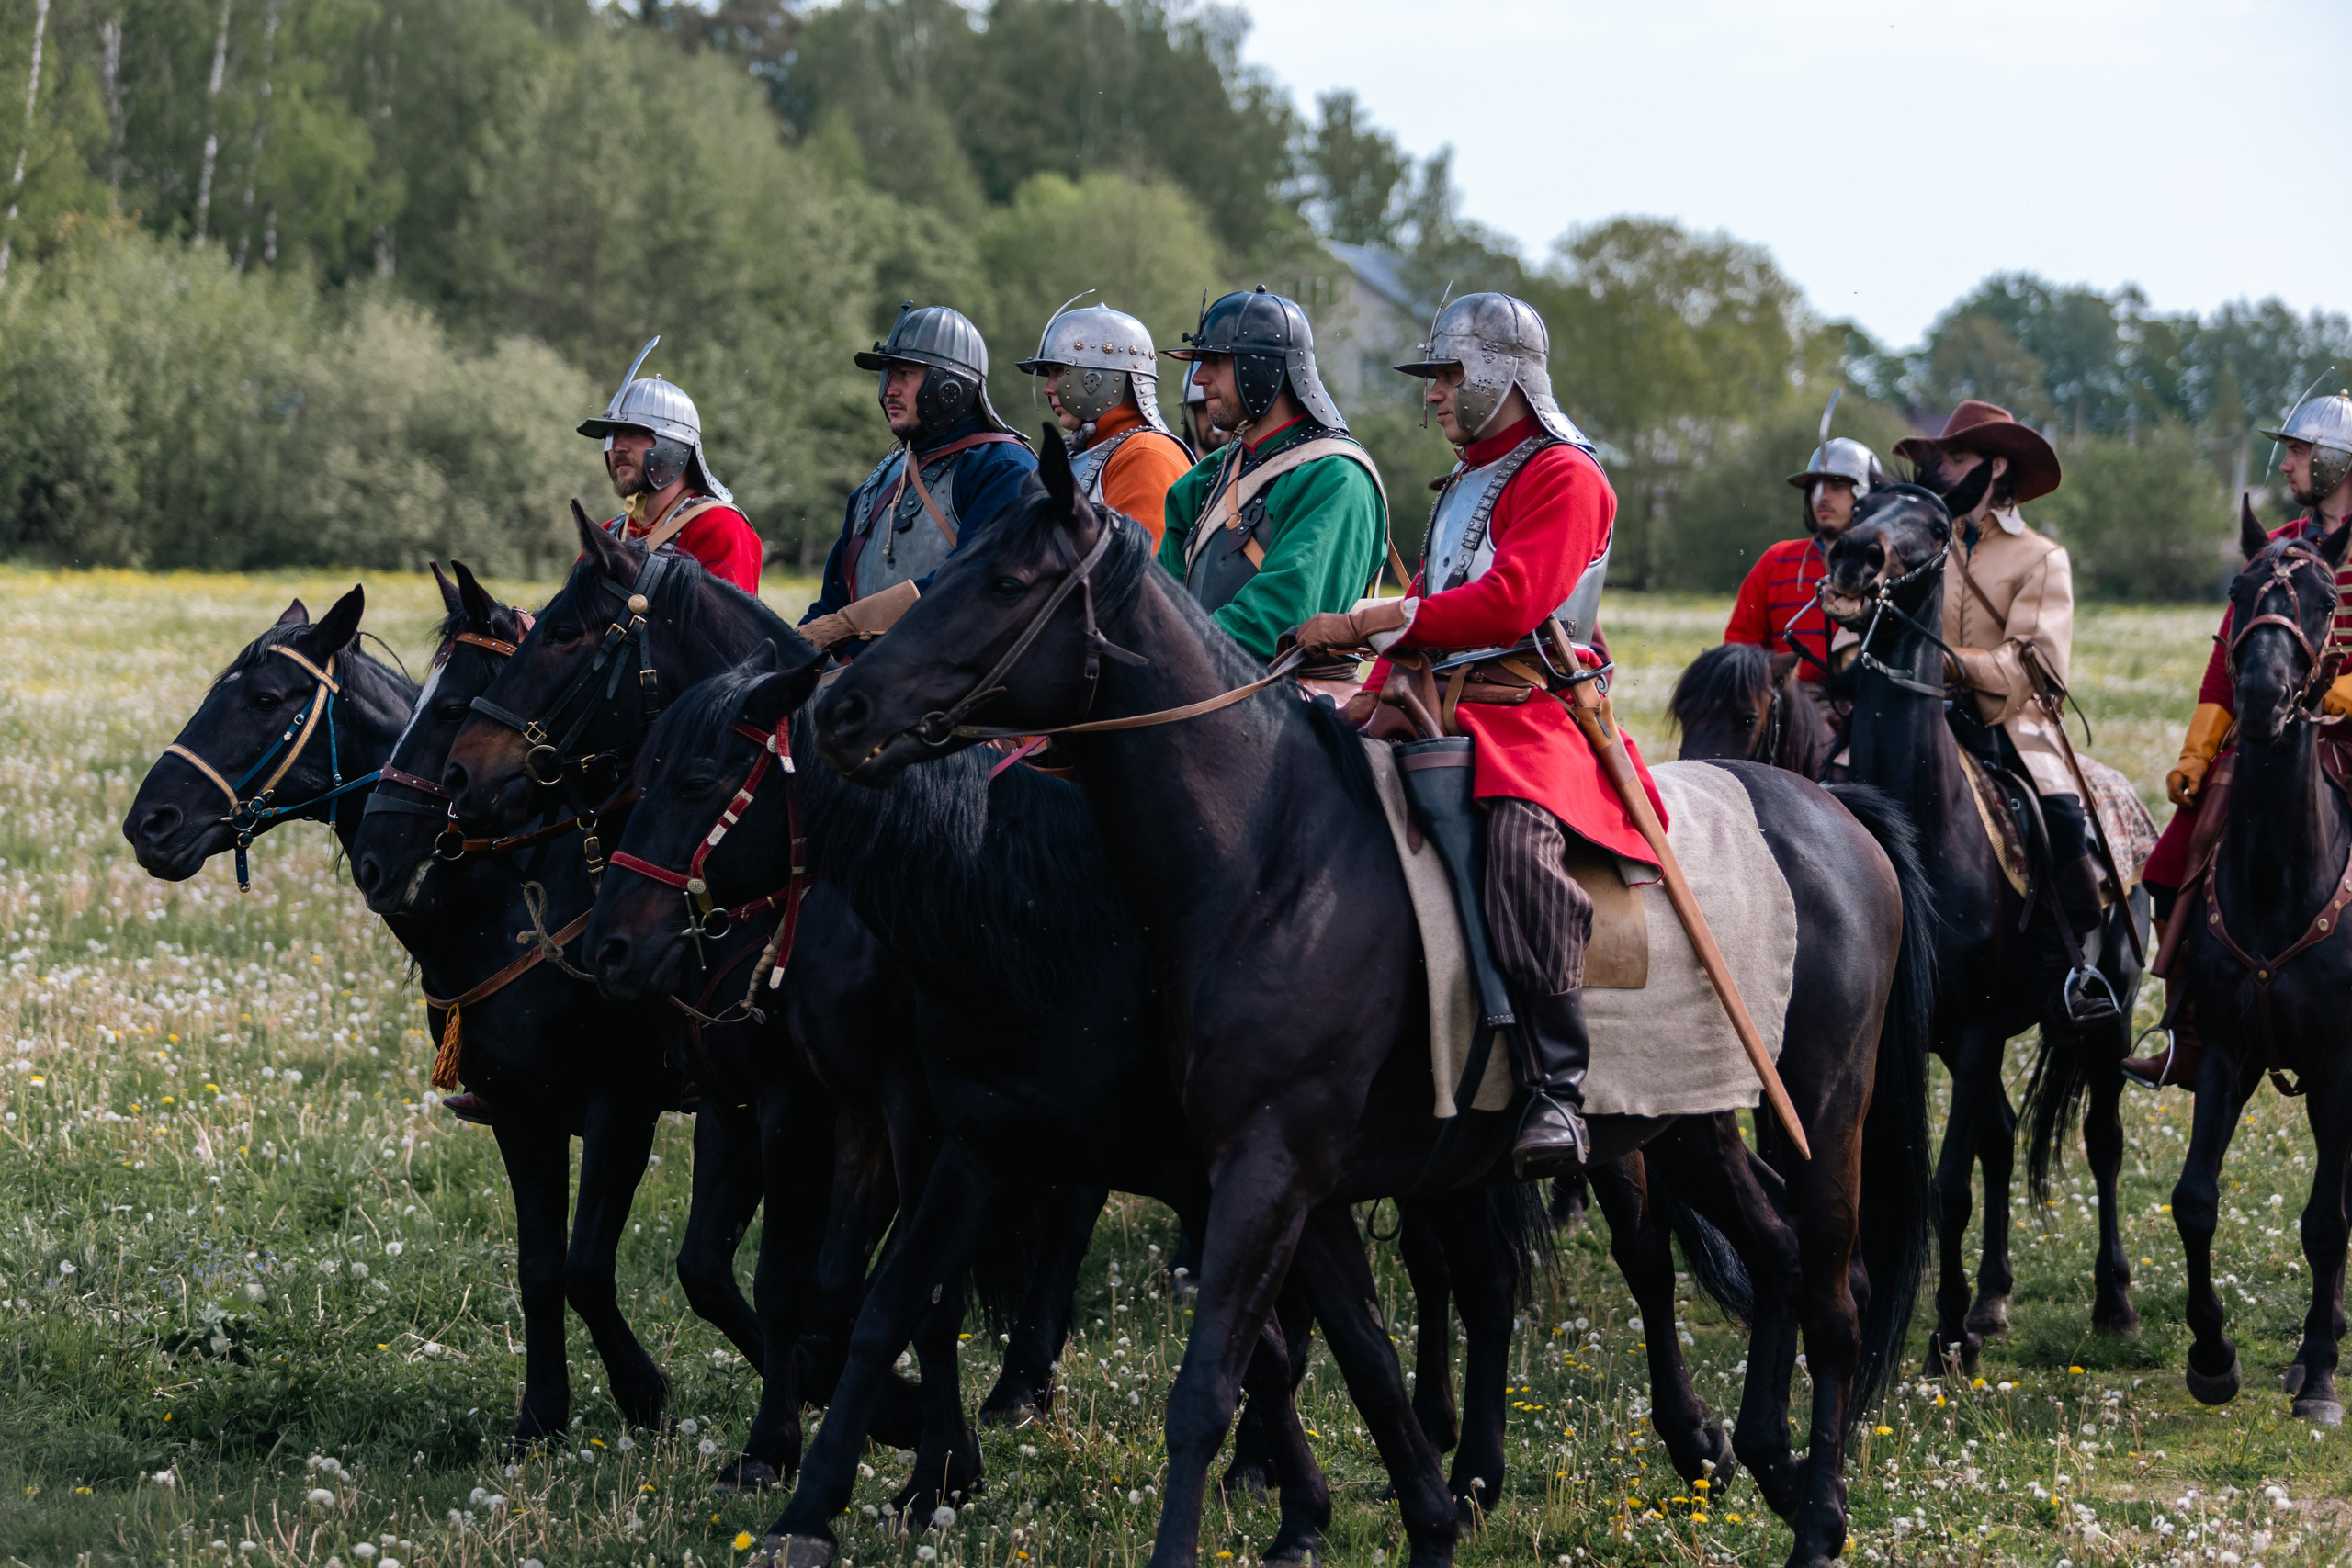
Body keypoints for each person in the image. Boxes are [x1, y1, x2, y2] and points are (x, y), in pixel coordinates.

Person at [1292, 291, 1667, 1179]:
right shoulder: (1468, 478)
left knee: (1518, 847)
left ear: (1502, 374)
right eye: (1432, 377)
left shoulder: (1566, 474)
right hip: (1438, 700)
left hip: (1533, 710)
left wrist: (1366, 624)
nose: (1432, 394)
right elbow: (1431, 600)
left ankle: (1556, 1091)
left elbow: (1511, 602)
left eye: (1447, 374)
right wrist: (1359, 704)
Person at [2123, 389, 2352, 1089]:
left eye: (2299, 451)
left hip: (2349, 739)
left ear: (2339, 460)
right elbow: (2229, 657)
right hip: (2270, 739)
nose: (2286, 465)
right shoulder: (2276, 548)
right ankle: (2189, 1031)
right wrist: (2199, 751)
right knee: (2172, 857)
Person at [1894, 400, 2106, 1027]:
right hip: (1918, 713)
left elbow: (2035, 663)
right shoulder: (1925, 543)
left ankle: (2067, 970)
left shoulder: (2042, 557)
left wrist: (1955, 668)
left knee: (2065, 820)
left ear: (1995, 465)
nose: (1944, 469)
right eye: (1941, 458)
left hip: (2010, 722)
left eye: (1955, 458)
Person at [1157, 287, 1389, 664]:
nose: (1199, 378)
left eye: (1215, 361)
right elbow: (1157, 599)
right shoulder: (1205, 477)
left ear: (1261, 368)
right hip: (1187, 686)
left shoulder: (1336, 478)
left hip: (1287, 704)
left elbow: (1277, 621)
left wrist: (1164, 656)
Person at [800, 304, 1037, 654]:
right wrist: (788, 651)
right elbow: (833, 601)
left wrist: (853, 624)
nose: (889, 391)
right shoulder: (881, 478)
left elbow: (971, 585)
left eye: (905, 374)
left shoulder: (1002, 467)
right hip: (861, 690)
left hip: (954, 690)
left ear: (949, 387)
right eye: (887, 376)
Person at [1013, 300, 1193, 553]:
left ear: (1099, 378)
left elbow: (1136, 578)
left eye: (1058, 371)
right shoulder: (1086, 450)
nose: (1048, 388)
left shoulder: (1146, 454)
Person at [577, 357, 763, 593]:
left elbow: (728, 628)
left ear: (673, 444)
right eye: (612, 435)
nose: (617, 447)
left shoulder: (720, 527)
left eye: (635, 432)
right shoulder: (607, 534)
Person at [1722, 435, 1885, 685]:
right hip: (1790, 711)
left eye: (1837, 486)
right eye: (1815, 488)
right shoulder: (1777, 561)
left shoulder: (1889, 567)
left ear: (1865, 495)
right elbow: (1739, 647)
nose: (1822, 497)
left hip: (1865, 711)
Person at [1179, 375, 1230, 457]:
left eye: (1222, 406)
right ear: (1191, 416)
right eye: (1203, 408)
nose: (1213, 416)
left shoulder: (1253, 463)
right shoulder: (1179, 463)